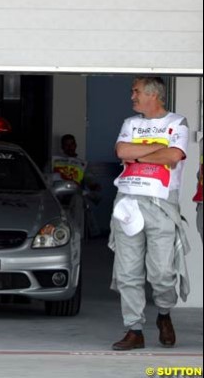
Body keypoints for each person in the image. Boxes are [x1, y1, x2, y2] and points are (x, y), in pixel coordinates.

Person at [108, 77, 190, 351]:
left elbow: (175, 156)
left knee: (162, 273)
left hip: (162, 203)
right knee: (128, 272)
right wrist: (158, 149)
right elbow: (121, 150)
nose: (132, 96)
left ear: (153, 95)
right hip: (128, 202)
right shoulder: (130, 124)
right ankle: (134, 330)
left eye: (136, 91)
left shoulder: (178, 122)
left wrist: (138, 156)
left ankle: (164, 314)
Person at [50, 134, 101, 238]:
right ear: (62, 147)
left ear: (75, 145)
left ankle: (76, 236)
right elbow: (45, 178)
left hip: (75, 193)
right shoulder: (53, 162)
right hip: (57, 194)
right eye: (66, 145)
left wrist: (93, 185)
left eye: (71, 144)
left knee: (78, 199)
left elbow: (89, 179)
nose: (69, 147)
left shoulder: (81, 164)